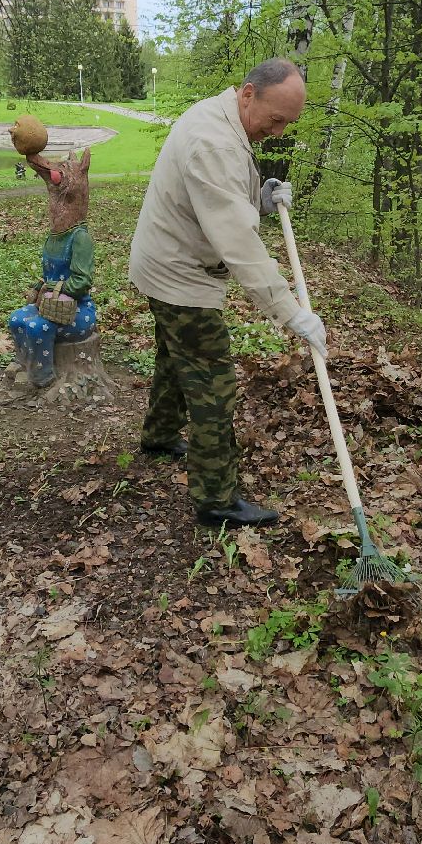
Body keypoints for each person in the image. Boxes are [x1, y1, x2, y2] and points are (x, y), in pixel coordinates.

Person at [128, 58, 324, 529]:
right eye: (275, 119)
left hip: (164, 260)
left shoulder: (224, 117)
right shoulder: (212, 140)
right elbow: (237, 241)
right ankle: (216, 498)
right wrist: (290, 310)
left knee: (176, 356)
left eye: (287, 123)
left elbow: (221, 195)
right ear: (248, 94)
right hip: (180, 273)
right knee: (213, 385)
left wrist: (260, 194)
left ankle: (158, 435)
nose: (278, 132)